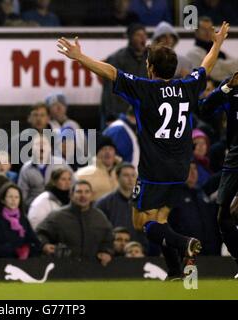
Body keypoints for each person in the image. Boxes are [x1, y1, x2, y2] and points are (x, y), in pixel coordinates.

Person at [57, 21, 229, 278]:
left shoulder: (145, 89)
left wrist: (80, 57)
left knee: (143, 223)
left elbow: (111, 73)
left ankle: (185, 244)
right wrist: (217, 43)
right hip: (182, 167)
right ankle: (173, 272)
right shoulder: (188, 84)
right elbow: (207, 66)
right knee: (160, 219)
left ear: (150, 68)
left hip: (154, 169)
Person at [199, 71, 238, 277]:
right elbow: (203, 110)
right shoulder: (232, 87)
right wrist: (227, 88)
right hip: (234, 159)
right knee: (224, 217)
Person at [37, 180, 114, 266]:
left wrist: (107, 252)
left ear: (92, 195)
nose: (83, 195)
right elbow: (39, 234)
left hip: (93, 270)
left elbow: (109, 239)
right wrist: (44, 245)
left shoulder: (100, 217)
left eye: (87, 192)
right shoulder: (57, 216)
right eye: (79, 192)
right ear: (71, 195)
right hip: (63, 270)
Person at [100, 23, 148, 128]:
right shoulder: (117, 58)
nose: (142, 38)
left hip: (144, 113)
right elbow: (109, 91)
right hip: (121, 114)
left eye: (144, 35)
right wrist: (112, 116)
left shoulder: (150, 58)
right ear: (130, 37)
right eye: (138, 35)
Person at [95, 163, 147, 246]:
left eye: (133, 175)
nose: (130, 179)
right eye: (126, 175)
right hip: (112, 250)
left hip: (137, 250)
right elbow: (98, 229)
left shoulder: (144, 202)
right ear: (117, 177)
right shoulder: (104, 202)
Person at [0, 183, 41, 259]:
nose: (13, 200)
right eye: (10, 197)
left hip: (23, 264)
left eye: (17, 197)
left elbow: (35, 243)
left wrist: (28, 249)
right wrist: (14, 251)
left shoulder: (23, 219)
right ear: (2, 200)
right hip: (1, 262)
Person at [18, 134, 73, 209]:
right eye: (37, 144)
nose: (41, 146)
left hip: (60, 206)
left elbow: (74, 184)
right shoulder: (26, 168)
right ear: (32, 148)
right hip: (35, 208)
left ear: (50, 147)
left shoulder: (61, 163)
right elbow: (22, 196)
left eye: (44, 143)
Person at [187, 16, 238, 82]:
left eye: (210, 29)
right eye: (204, 29)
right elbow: (213, 73)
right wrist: (227, 67)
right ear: (197, 31)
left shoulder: (219, 51)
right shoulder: (193, 54)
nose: (207, 32)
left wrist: (218, 64)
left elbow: (236, 65)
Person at [75, 136, 119, 201]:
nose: (108, 152)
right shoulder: (82, 175)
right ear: (97, 153)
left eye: (110, 149)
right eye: (103, 149)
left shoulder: (126, 172)